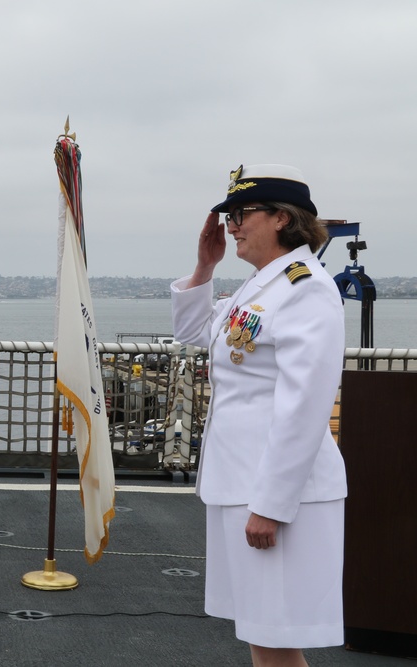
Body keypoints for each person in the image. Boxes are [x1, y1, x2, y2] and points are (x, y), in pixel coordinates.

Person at [171, 165, 347, 666]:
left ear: (282, 219)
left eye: (242, 213)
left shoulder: (304, 287)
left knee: (273, 640)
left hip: (274, 492)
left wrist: (271, 504)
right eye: (229, 215)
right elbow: (196, 336)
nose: (231, 224)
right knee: (262, 636)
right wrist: (205, 268)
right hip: (241, 481)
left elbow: (304, 407)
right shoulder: (261, 286)